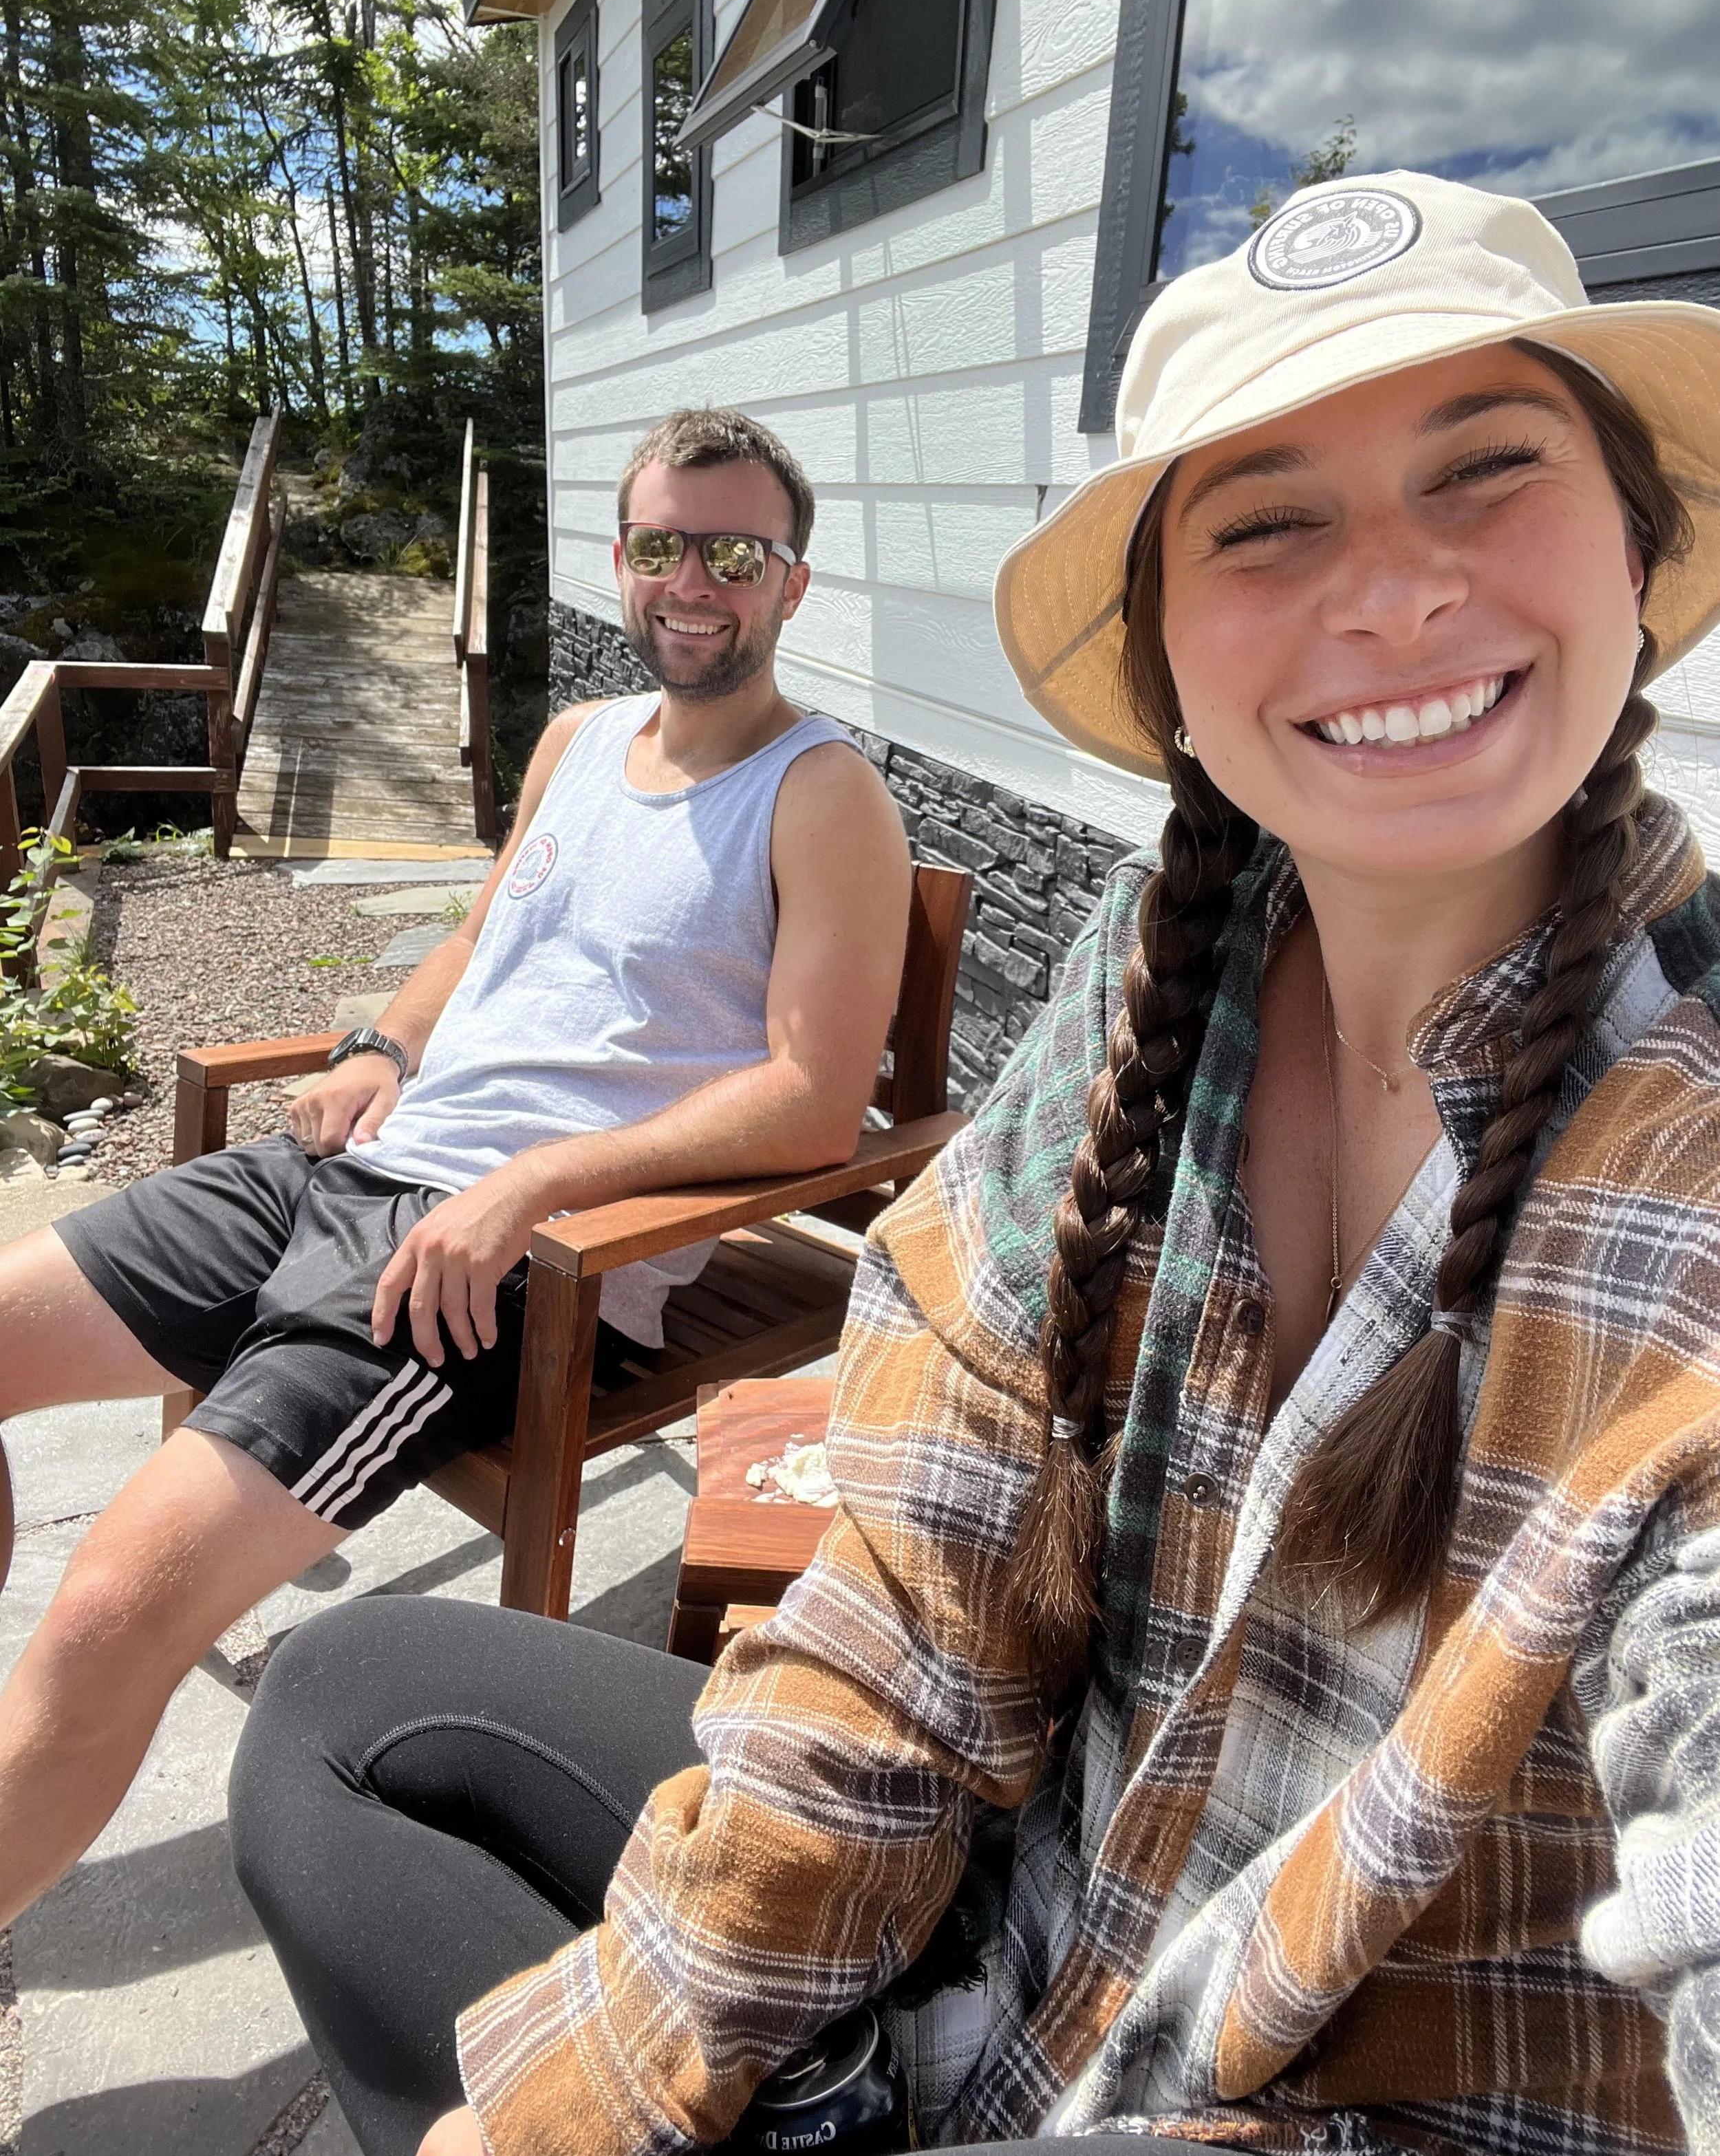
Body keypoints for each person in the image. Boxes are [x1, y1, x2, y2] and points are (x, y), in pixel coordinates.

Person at [233, 172, 1720, 2156]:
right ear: (1165, 659)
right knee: (338, 1704)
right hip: (1013, 1931)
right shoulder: (1150, 973)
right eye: (1266, 520)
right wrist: (591, 2089)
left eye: (1485, 472)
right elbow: (911, 1613)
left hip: (1317, 2104)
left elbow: (804, 1098)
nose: (1390, 593)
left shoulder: (1675, 1153)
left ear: (1638, 548)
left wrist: (530, 1185)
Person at [0, 405, 911, 1933]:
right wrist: (379, 1042)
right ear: (622, 559)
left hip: (489, 1265)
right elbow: (484, 936)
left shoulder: (822, 796)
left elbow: (817, 1103)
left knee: (105, 1613)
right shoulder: (576, 740)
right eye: (663, 545)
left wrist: (536, 1184)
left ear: (792, 583)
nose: (694, 581)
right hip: (352, 1167)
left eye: (736, 554)